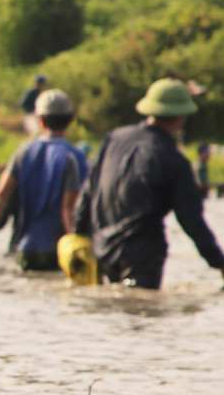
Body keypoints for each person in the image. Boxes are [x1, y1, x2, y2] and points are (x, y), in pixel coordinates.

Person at [74, 78, 224, 289]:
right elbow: (190, 219)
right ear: (182, 116)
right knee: (141, 313)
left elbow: (88, 193)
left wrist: (77, 237)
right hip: (141, 255)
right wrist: (218, 261)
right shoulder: (173, 159)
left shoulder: (113, 139)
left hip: (102, 248)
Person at [0, 89, 82, 271]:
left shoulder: (22, 153)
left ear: (39, 120)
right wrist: (77, 245)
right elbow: (70, 207)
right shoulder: (75, 157)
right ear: (71, 119)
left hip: (23, 249)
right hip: (59, 252)